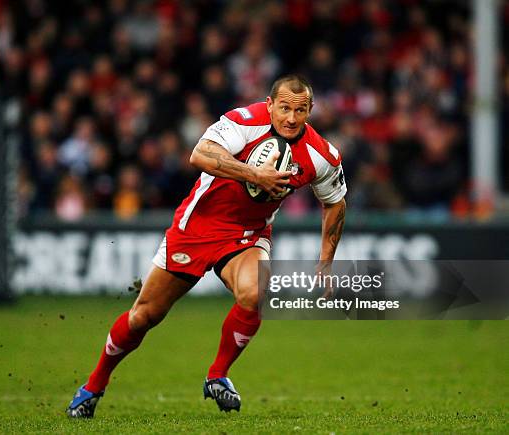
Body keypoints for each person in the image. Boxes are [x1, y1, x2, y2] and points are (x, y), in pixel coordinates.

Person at [66, 74, 347, 417]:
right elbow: (199, 154)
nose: (291, 118)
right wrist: (253, 174)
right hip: (196, 228)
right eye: (284, 108)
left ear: (311, 110)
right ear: (270, 104)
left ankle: (218, 376)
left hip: (248, 234)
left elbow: (335, 202)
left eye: (300, 110)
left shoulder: (322, 155)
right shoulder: (242, 122)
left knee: (254, 291)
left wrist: (325, 260)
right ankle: (93, 386)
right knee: (144, 316)